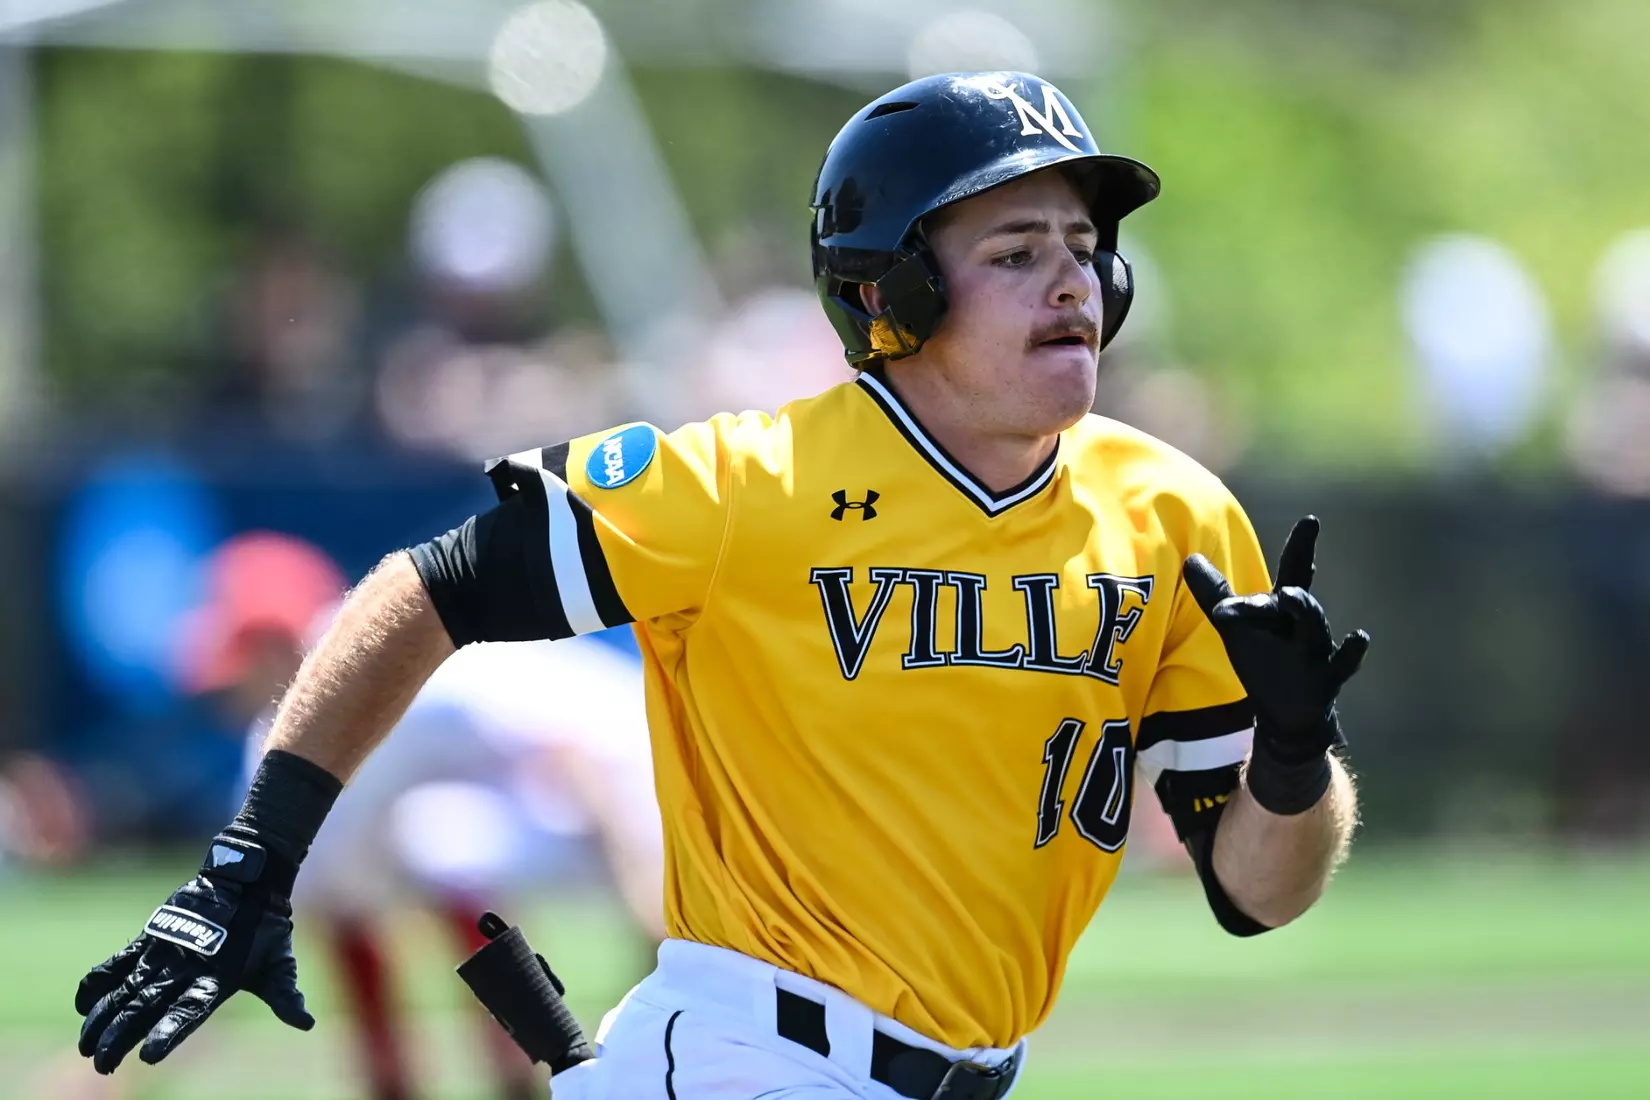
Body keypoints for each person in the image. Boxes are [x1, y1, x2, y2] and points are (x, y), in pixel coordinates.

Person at [74, 71, 1370, 1098]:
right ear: (897, 288)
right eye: (1017, 249)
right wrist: (250, 866)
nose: (1074, 278)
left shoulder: (1172, 514)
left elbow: (1260, 893)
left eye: (1084, 245)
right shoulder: (748, 483)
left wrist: (1295, 749)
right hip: (755, 1060)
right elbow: (429, 587)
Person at [182, 532, 664, 1100]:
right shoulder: (297, 720)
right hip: (553, 793)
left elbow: (576, 750)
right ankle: (501, 1070)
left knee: (429, 850)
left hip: (641, 766)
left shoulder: (372, 667)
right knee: (422, 847)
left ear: (271, 646)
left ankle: (549, 1064)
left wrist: (649, 892)